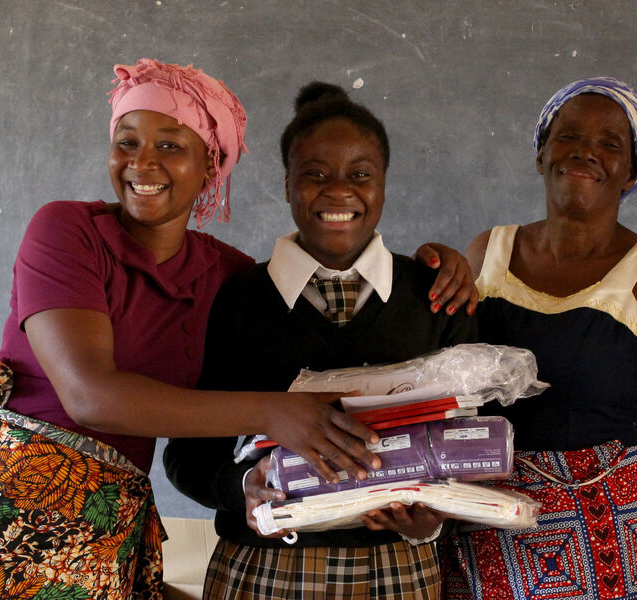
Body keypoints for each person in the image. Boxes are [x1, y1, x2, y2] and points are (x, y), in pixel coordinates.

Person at [0, 60, 473, 599]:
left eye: (170, 145)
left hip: (105, 527)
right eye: (127, 143)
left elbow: (306, 288)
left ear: (211, 164)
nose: (143, 163)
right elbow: (89, 397)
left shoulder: (226, 276)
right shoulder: (66, 231)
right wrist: (269, 415)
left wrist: (443, 265)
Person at [164, 82, 478, 600]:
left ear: (383, 186)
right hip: (264, 568)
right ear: (287, 185)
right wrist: (242, 487)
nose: (338, 191)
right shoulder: (237, 300)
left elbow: (470, 445)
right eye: (315, 174)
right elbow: (186, 453)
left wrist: (436, 520)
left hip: (397, 568)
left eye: (360, 174)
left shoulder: (436, 295)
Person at [440, 77, 637, 600]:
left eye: (611, 144)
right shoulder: (487, 254)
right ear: (542, 153)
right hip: (482, 542)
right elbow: (442, 389)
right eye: (568, 136)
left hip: (605, 551)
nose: (586, 151)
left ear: (631, 170)